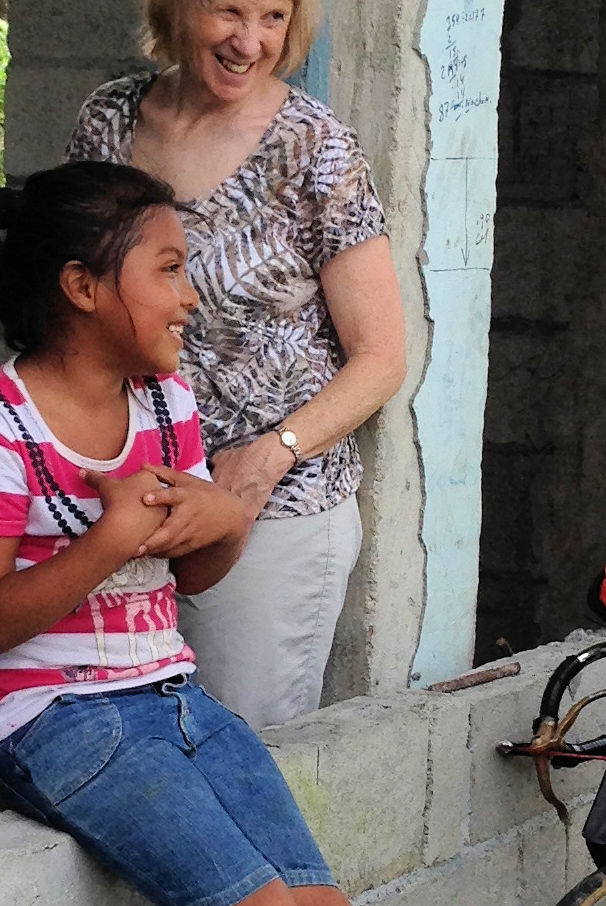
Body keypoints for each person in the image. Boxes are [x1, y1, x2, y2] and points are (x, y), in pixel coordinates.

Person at [0, 161, 365, 906]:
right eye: (168, 268)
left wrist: (227, 521)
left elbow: (193, 571)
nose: (189, 293)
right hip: (54, 717)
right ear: (82, 287)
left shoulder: (166, 403)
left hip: (174, 698)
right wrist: (114, 533)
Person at [66, 0, 406, 729]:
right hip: (125, 503)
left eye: (273, 17)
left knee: (243, 753)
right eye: (228, 11)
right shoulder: (110, 121)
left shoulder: (315, 147)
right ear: (178, 9)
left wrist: (266, 459)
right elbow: (71, 300)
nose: (249, 41)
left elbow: (381, 358)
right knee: (125, 752)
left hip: (265, 512)